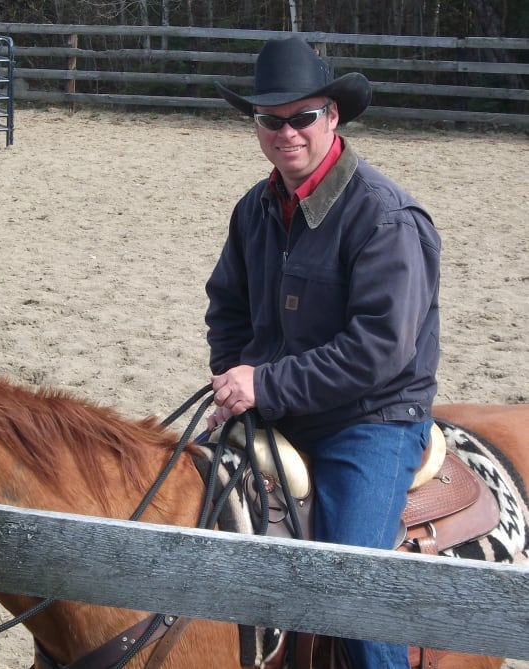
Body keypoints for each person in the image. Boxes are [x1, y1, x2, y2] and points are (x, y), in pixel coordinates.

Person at [205, 34, 441, 669]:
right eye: (270, 120)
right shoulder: (254, 209)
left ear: (332, 116)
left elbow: (380, 350)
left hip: (369, 421)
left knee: (353, 599)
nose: (287, 133)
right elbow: (226, 304)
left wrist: (266, 386)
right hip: (271, 407)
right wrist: (233, 377)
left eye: (302, 117)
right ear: (256, 125)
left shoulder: (384, 216)